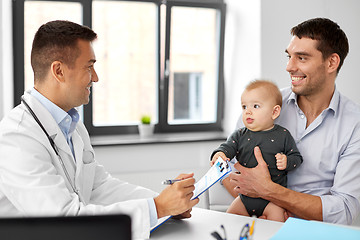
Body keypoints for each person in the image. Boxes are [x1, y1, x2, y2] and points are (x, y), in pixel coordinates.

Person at [0, 20, 199, 239]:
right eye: (89, 66)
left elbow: (99, 187)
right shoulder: (16, 137)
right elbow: (61, 220)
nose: (95, 77)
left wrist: (167, 203)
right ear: (58, 71)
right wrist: (158, 208)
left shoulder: (71, 125)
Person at [229, 18, 360, 225]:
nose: (289, 67)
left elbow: (344, 210)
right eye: (289, 56)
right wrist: (259, 206)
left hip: (316, 232)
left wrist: (270, 192)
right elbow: (228, 172)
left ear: (332, 62)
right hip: (259, 220)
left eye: (302, 58)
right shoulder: (263, 105)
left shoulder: (354, 124)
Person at [210, 80, 303, 221]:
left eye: (255, 106)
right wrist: (220, 154)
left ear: (274, 112)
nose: (248, 111)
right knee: (229, 220)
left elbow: (297, 157)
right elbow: (227, 147)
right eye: (244, 106)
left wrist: (287, 161)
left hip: (272, 200)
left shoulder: (283, 135)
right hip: (244, 198)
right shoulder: (240, 134)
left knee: (277, 224)